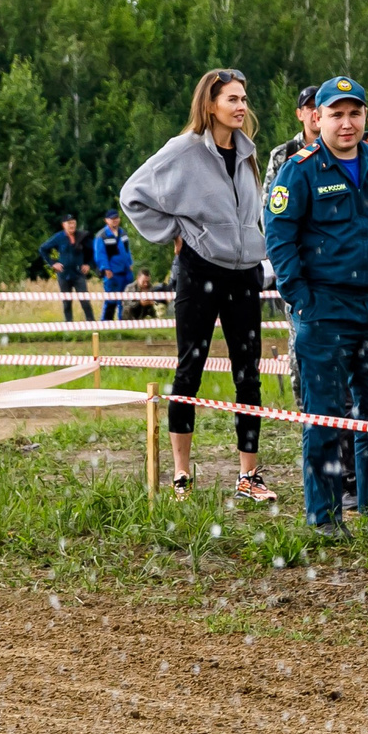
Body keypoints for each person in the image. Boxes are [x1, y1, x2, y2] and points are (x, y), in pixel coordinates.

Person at [120, 68, 278, 504]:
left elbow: (251, 214)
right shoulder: (183, 150)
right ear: (210, 105)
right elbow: (132, 193)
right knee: (190, 368)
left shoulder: (247, 152)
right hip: (199, 270)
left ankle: (249, 476)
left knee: (249, 373)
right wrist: (177, 230)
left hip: (244, 271)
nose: (242, 106)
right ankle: (182, 475)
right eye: (232, 99)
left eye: (244, 98)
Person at [264, 76, 368, 533]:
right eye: (336, 114)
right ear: (317, 118)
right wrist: (301, 298)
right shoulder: (300, 169)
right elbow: (279, 238)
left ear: (366, 118)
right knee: (325, 416)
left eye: (354, 113)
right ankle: (324, 517)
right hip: (323, 310)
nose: (346, 123)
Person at [42, 215, 97, 322]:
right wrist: (53, 263)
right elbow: (43, 249)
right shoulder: (59, 237)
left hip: (78, 274)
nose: (72, 226)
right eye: (69, 223)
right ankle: (69, 327)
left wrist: (88, 264)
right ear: (64, 225)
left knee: (85, 301)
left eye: (73, 223)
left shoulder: (82, 236)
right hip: (64, 275)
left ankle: (92, 325)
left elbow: (95, 249)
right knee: (67, 302)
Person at [264, 84, 321, 184]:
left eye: (319, 107)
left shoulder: (338, 150)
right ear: (299, 114)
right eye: (311, 107)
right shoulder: (283, 154)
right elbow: (268, 197)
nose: (316, 112)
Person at [93, 211, 134, 319]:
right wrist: (106, 269)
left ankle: (123, 323)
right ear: (106, 220)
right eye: (112, 218)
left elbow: (127, 250)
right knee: (111, 300)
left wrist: (130, 263)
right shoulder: (102, 235)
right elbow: (100, 255)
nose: (115, 220)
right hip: (112, 273)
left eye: (116, 218)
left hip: (125, 272)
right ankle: (106, 325)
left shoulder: (123, 233)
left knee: (125, 300)